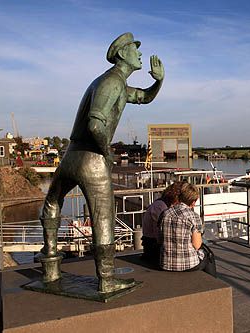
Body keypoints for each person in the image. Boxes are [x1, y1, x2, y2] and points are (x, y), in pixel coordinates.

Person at [39, 32, 164, 293]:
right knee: (104, 217)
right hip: (91, 158)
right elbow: (95, 123)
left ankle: (50, 268)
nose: (140, 53)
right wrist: (106, 152)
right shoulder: (112, 83)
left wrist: (159, 82)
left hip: (71, 155)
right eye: (135, 49)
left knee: (52, 201)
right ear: (122, 54)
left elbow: (143, 97)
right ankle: (106, 279)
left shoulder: (111, 82)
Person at [159, 183, 217, 277]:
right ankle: (214, 285)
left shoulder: (165, 213)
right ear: (193, 202)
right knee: (209, 256)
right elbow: (197, 245)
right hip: (188, 265)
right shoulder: (193, 216)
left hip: (165, 264)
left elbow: (159, 240)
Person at [141, 181, 186, 261]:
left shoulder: (163, 204)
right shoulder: (160, 206)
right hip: (154, 247)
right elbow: (160, 234)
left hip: (157, 244)